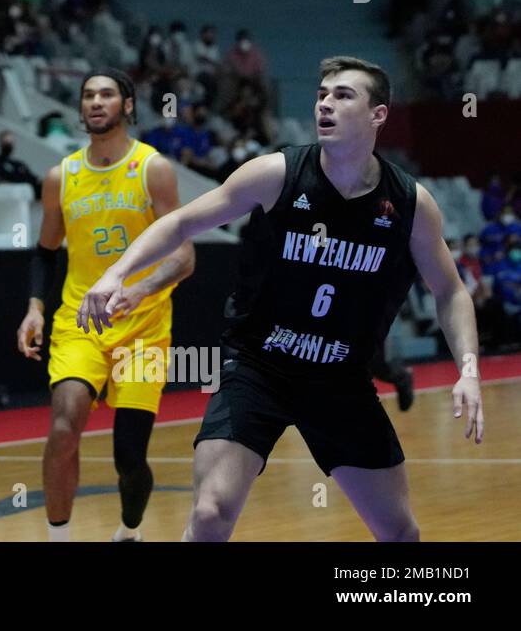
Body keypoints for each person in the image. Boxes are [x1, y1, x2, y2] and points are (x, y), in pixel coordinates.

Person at [84, 56, 485, 541]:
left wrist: (467, 369)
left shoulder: (408, 203)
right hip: (258, 367)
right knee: (210, 512)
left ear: (378, 115)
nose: (325, 104)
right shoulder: (276, 174)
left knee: (400, 533)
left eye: (343, 95)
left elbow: (449, 290)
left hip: (341, 379)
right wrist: (116, 273)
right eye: (321, 94)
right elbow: (181, 222)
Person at [17, 70, 194, 541]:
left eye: (107, 94)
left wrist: (140, 289)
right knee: (63, 425)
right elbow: (45, 251)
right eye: (88, 95)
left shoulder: (152, 169)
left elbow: (184, 257)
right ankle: (59, 537)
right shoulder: (62, 176)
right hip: (80, 322)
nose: (96, 102)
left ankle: (129, 530)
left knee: (129, 459)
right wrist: (35, 307)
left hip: (144, 327)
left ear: (128, 105)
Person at [0, 129, 40, 199]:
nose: (9, 145)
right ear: (0, 143)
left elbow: (32, 177)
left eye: (11, 142)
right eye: (6, 142)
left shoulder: (19, 164)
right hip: (11, 193)